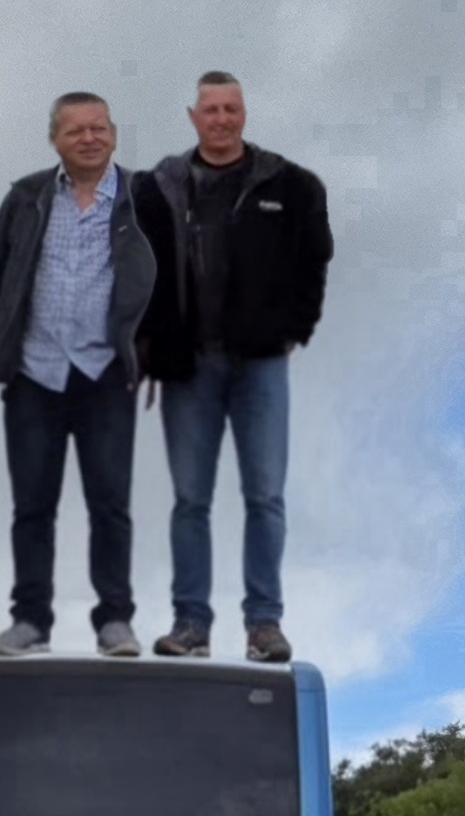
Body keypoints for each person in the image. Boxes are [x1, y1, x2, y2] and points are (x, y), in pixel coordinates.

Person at [133, 72, 333, 663]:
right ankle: (190, 623)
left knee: (265, 497)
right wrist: (145, 343)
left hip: (262, 365)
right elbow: (133, 270)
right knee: (190, 500)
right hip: (187, 367)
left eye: (231, 109)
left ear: (244, 115)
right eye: (210, 109)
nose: (221, 119)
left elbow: (314, 260)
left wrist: (295, 330)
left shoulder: (290, 184)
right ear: (193, 116)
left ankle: (264, 625)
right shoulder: (158, 186)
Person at [0, 90, 156, 659]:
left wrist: (157, 354)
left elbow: (170, 284)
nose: (90, 138)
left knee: (110, 504)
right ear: (56, 139)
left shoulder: (142, 199)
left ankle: (115, 621)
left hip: (105, 376)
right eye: (76, 130)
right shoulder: (25, 198)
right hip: (33, 375)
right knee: (32, 507)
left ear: (114, 134)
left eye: (99, 127)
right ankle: (30, 622)